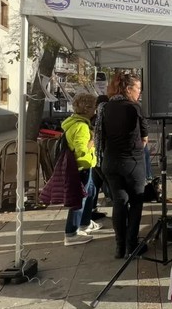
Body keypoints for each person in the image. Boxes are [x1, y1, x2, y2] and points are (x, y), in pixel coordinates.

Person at [95, 73, 149, 258]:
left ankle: (120, 247)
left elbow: (100, 137)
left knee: (119, 203)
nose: (139, 93)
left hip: (110, 163)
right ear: (128, 89)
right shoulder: (134, 107)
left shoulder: (104, 107)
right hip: (132, 164)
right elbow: (144, 139)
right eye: (138, 89)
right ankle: (132, 245)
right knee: (135, 203)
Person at [62, 93, 102, 246]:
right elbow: (81, 150)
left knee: (90, 193)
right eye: (93, 107)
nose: (95, 111)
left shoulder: (77, 123)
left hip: (86, 166)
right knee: (80, 199)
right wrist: (93, 141)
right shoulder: (81, 126)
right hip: (82, 167)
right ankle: (71, 232)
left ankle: (84, 223)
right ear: (86, 108)